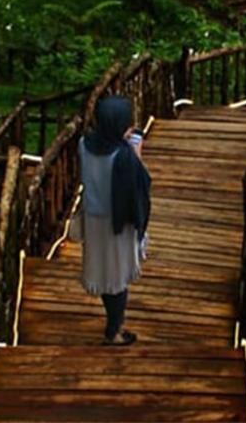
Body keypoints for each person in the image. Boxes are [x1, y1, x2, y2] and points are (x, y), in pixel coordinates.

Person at [76, 95, 152, 346]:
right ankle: (114, 331)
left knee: (103, 273)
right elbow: (140, 184)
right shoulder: (123, 156)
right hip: (117, 224)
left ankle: (113, 323)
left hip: (93, 220)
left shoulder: (84, 144)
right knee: (118, 278)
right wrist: (136, 152)